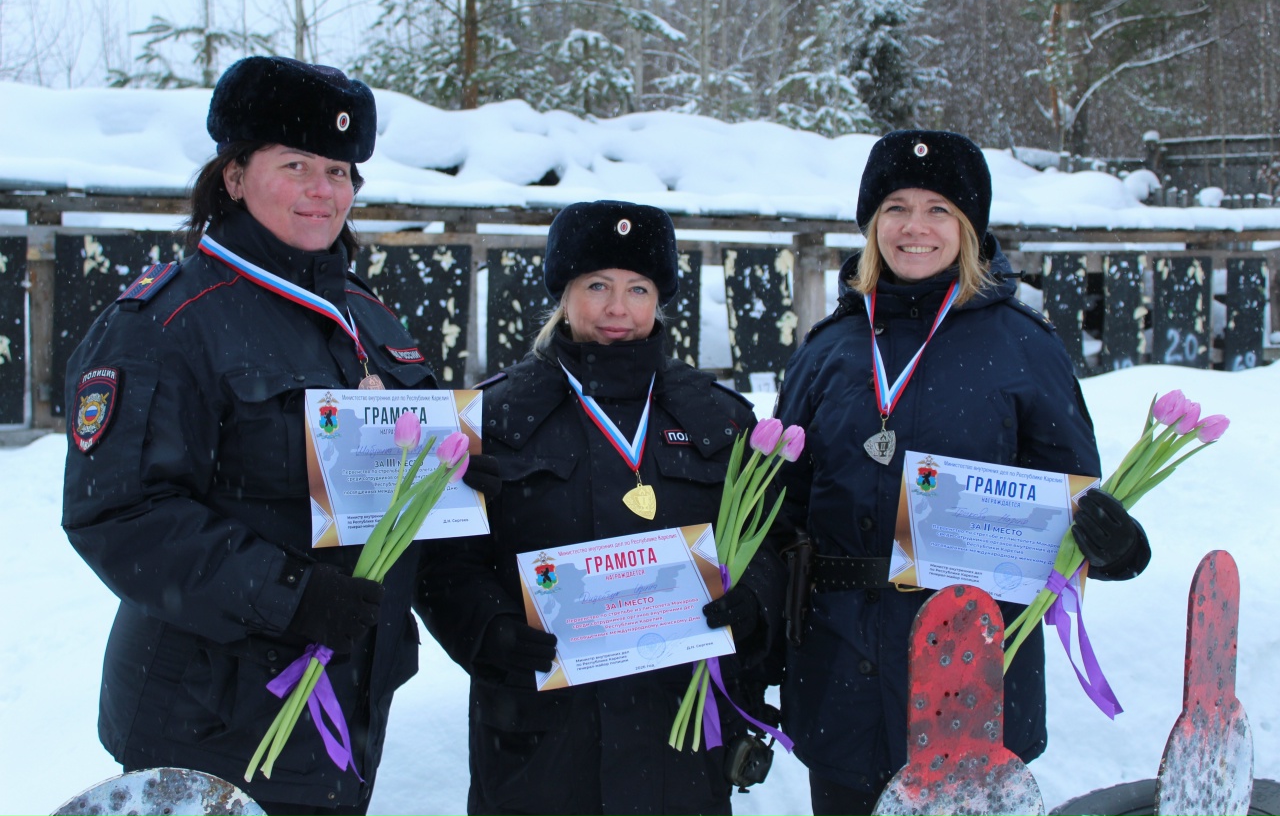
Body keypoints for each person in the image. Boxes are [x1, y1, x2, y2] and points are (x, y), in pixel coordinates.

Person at [62, 57, 437, 816]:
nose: (321, 191)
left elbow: (408, 465)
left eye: (339, 171)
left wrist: (460, 479)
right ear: (233, 176)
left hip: (349, 696)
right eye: (294, 165)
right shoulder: (169, 322)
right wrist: (288, 598)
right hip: (212, 713)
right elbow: (120, 514)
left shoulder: (370, 319)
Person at [773, 130, 1151, 816]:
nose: (915, 228)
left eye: (939, 209)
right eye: (895, 207)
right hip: (841, 678)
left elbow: (1071, 505)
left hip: (971, 671)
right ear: (870, 224)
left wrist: (1114, 545)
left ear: (970, 226)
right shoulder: (828, 350)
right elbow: (780, 509)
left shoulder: (1022, 347)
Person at [416, 200, 786, 816]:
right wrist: (490, 629)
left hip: (680, 740)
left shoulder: (717, 418)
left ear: (659, 299)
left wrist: (752, 605)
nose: (618, 309)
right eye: (597, 286)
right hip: (540, 741)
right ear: (564, 293)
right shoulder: (493, 416)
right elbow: (445, 562)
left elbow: (768, 539)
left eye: (638, 288)